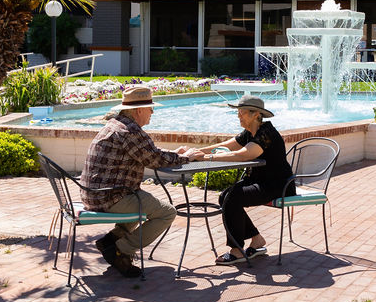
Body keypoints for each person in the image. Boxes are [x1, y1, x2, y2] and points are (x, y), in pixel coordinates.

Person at [80, 85, 203, 277]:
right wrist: (188, 157)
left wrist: (174, 153)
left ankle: (110, 241)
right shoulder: (129, 131)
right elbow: (155, 160)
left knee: (143, 204)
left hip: (95, 195)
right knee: (167, 213)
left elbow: (148, 153)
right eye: (150, 108)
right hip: (111, 197)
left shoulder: (116, 125)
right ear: (139, 110)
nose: (152, 112)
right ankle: (121, 250)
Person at [194, 95, 292, 265]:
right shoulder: (250, 132)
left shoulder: (266, 133)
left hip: (277, 185)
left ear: (256, 115)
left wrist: (206, 158)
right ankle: (257, 240)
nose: (238, 115)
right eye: (238, 111)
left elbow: (244, 154)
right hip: (260, 181)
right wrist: (194, 151)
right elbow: (228, 146)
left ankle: (237, 250)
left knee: (233, 197)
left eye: (242, 112)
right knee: (225, 196)